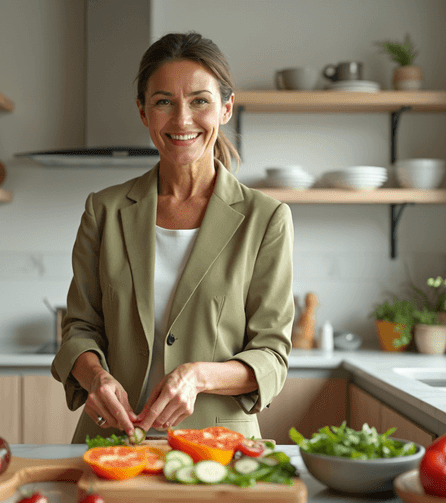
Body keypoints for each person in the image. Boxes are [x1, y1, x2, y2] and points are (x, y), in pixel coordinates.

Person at [51, 32, 294, 444]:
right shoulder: (103, 210)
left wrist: (198, 377)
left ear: (225, 109)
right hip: (113, 440)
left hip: (218, 447)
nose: (182, 120)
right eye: (164, 102)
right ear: (143, 112)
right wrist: (95, 378)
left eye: (199, 101)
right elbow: (79, 329)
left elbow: (271, 356)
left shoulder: (265, 218)